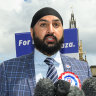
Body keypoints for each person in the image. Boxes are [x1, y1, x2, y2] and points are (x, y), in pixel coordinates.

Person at [0, 7, 91, 96]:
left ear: (62, 31)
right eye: (43, 25)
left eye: (56, 25)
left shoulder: (83, 68)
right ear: (32, 32)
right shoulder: (8, 69)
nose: (50, 31)